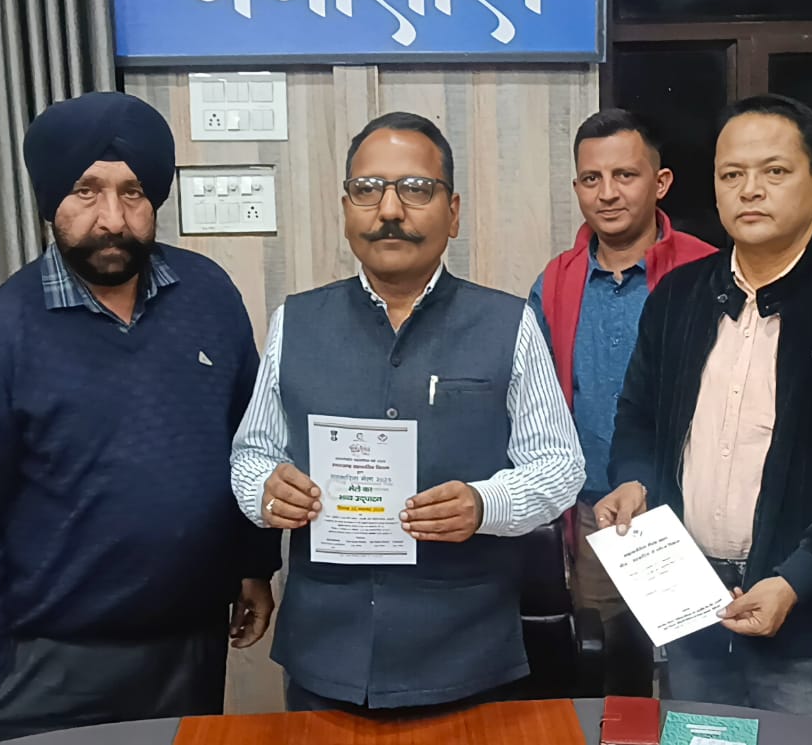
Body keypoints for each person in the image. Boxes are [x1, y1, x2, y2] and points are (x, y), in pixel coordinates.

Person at [0, 91, 280, 745]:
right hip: (44, 665)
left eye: (132, 192)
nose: (112, 218)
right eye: (86, 191)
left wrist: (255, 564)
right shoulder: (0, 335)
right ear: (51, 200)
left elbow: (248, 441)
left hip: (187, 651)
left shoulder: (208, 295)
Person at [230, 111, 585, 714]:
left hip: (468, 657)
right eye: (368, 189)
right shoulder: (296, 322)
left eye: (416, 189)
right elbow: (251, 454)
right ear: (346, 208)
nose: (390, 209)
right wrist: (264, 490)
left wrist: (485, 503)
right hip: (325, 655)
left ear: (453, 212)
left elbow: (560, 466)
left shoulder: (509, 324)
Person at [597, 94, 812, 725]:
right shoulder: (678, 296)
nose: (750, 190)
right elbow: (636, 415)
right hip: (693, 609)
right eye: (732, 174)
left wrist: (796, 581)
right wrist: (633, 479)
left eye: (774, 171)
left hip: (810, 629)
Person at [527, 108, 716, 697]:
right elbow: (534, 404)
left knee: (700, 677)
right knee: (609, 674)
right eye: (592, 178)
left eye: (625, 175)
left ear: (660, 183)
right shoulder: (555, 282)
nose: (607, 193)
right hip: (597, 515)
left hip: (695, 513)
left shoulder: (709, 270)